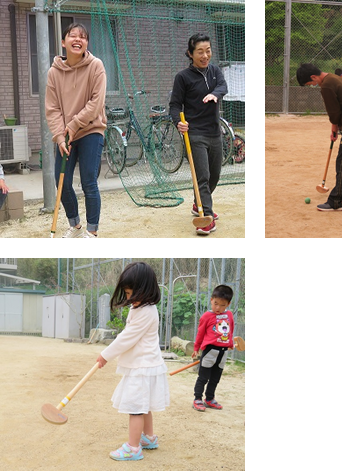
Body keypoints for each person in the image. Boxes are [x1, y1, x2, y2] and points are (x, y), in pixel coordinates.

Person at [96, 262, 169, 461]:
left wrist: (106, 355)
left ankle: (133, 448)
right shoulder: (141, 308)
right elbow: (128, 335)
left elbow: (127, 338)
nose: (129, 298)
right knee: (144, 406)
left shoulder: (145, 311)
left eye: (131, 294)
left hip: (142, 368)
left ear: (145, 290)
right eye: (127, 293)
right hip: (144, 365)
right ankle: (149, 438)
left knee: (135, 408)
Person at [45, 23, 107, 238]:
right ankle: (76, 226)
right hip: (65, 135)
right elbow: (52, 108)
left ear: (87, 43)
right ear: (63, 42)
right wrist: (60, 136)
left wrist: (72, 125)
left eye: (83, 37)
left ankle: (92, 231)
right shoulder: (54, 72)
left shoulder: (96, 66)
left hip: (91, 129)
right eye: (73, 36)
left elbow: (96, 103)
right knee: (61, 182)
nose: (78, 39)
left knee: (89, 180)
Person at [170, 33, 228, 235]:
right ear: (190, 53)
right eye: (200, 52)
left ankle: (198, 203)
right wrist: (178, 122)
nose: (205, 56)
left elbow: (223, 86)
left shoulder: (215, 71)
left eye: (208, 51)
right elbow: (175, 105)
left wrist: (214, 94)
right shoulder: (183, 77)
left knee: (215, 175)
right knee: (202, 176)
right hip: (194, 134)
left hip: (214, 132)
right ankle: (206, 218)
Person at [296, 63, 342, 211]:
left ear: (313, 77)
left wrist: (334, 127)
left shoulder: (326, 86)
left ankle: (336, 201)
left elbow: (334, 111)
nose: (313, 85)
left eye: (310, 83)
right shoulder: (334, 78)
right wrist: (336, 127)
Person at [192, 285, 234, 411]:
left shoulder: (229, 315)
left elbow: (230, 329)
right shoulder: (206, 316)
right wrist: (196, 348)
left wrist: (230, 343)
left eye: (222, 305)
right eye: (215, 303)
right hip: (210, 351)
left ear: (228, 304)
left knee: (215, 378)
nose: (218, 308)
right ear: (211, 300)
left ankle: (209, 399)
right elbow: (200, 333)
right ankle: (197, 399)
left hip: (223, 352)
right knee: (203, 377)